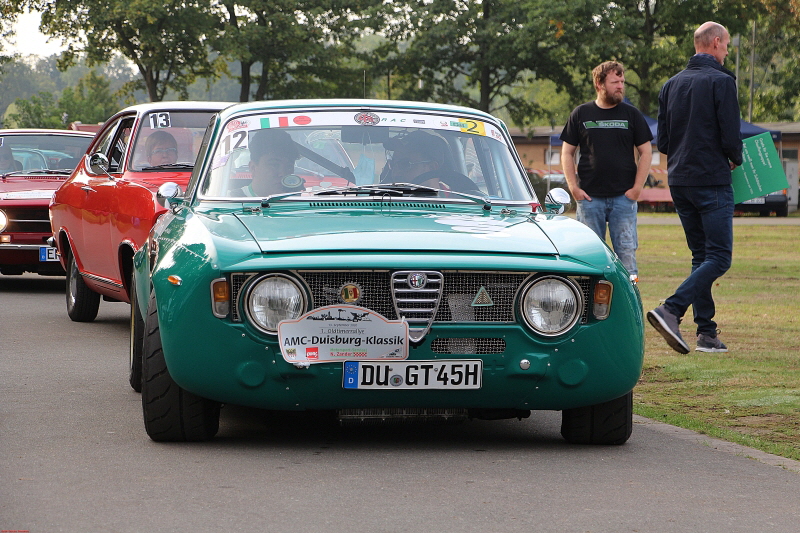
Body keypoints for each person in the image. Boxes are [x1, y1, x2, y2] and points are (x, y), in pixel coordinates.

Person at [648, 21, 743, 354]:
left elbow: (663, 142)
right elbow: (732, 136)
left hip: (679, 180)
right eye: (728, 45)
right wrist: (736, 157)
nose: (728, 51)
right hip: (712, 180)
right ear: (715, 43)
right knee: (719, 258)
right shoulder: (722, 81)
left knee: (701, 256)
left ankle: (707, 333)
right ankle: (671, 309)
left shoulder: (670, 85)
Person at [560, 61, 653, 281]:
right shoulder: (581, 113)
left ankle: (629, 305)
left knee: (627, 257)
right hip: (590, 199)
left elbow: (646, 152)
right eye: (615, 82)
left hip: (624, 198)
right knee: (589, 256)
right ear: (599, 84)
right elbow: (567, 153)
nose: (620, 86)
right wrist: (573, 187)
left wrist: (637, 188)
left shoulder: (632, 114)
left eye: (622, 82)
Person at [383, 131, 480, 194]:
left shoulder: (460, 202)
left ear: (432, 167)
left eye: (404, 164)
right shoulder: (381, 202)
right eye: (392, 164)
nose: (395, 173)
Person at [241, 129, 303, 196]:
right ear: (253, 168)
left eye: (289, 166)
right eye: (274, 165)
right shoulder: (231, 201)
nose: (283, 173)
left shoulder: (300, 200)